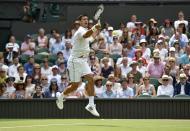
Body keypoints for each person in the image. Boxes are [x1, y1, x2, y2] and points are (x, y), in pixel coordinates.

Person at [56, 14, 101, 117]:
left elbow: (91, 37)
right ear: (80, 22)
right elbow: (86, 35)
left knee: (90, 78)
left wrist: (97, 29)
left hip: (83, 61)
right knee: (75, 86)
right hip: (75, 61)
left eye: (87, 19)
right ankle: (61, 96)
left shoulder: (86, 31)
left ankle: (90, 104)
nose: (86, 20)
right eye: (83, 19)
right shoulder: (80, 31)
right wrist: (95, 27)